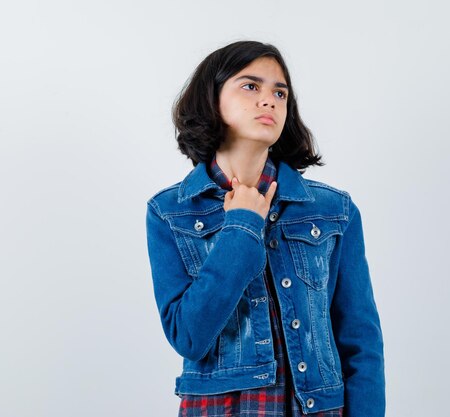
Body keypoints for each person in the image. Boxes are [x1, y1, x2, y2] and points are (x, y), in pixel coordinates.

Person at [144, 40, 385, 417]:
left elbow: (360, 340)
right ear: (211, 99)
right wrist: (241, 226)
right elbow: (189, 336)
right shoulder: (170, 212)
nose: (269, 100)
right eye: (250, 86)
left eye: (280, 92)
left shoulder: (333, 210)